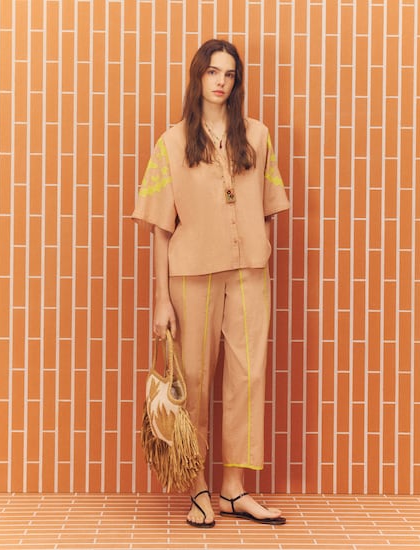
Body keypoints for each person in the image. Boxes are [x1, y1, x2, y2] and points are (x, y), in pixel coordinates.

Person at [132, 39, 289, 528]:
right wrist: (161, 300)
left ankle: (233, 490)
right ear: (198, 77)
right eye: (213, 72)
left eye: (230, 74)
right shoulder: (172, 142)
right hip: (191, 276)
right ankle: (197, 487)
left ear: (236, 82)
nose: (221, 81)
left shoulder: (257, 136)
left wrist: (259, 249)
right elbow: (160, 228)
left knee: (248, 377)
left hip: (249, 275)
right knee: (194, 381)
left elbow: (269, 207)